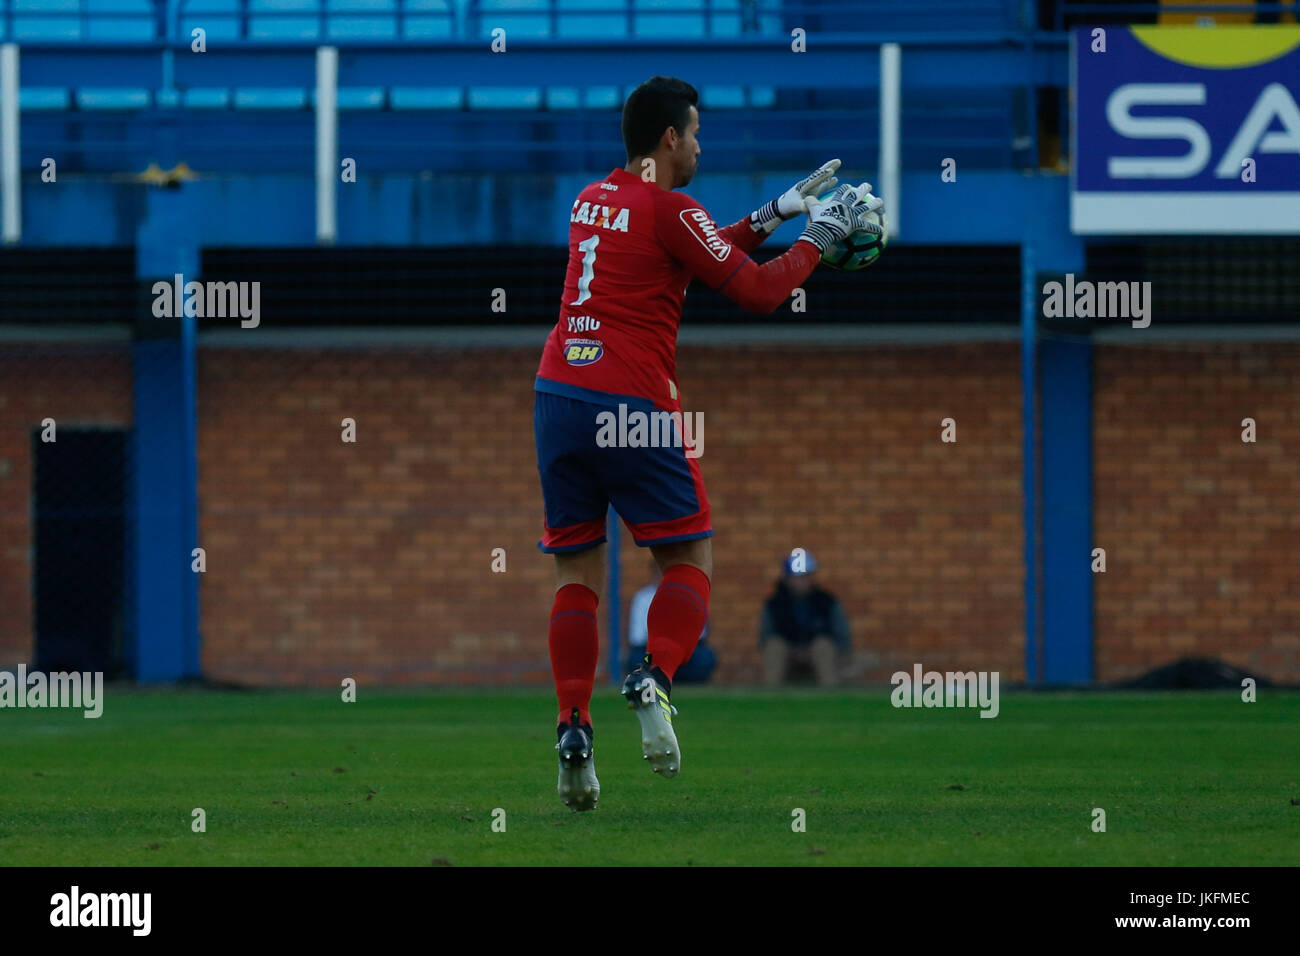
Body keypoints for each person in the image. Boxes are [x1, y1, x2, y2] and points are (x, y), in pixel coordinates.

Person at [534, 74, 885, 812]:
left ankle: (573, 727)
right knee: (688, 560)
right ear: (669, 139)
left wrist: (776, 212)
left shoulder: (595, 198)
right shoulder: (671, 206)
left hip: (557, 395)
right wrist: (819, 238)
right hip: (630, 402)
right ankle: (654, 675)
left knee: (577, 577)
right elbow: (755, 291)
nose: (699, 145)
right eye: (694, 132)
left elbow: (691, 255)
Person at [760, 550, 851, 687]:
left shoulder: (827, 602)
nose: (802, 581)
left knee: (823, 646)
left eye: (806, 576)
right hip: (788, 651)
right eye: (797, 577)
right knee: (774, 646)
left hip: (817, 652)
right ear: (787, 578)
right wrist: (794, 651)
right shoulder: (775, 604)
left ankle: (831, 694)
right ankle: (771, 695)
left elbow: (841, 637)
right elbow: (766, 637)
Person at [627, 558, 716, 684]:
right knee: (635, 659)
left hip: (684, 654)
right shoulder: (642, 597)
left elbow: (701, 634)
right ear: (652, 572)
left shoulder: (689, 594)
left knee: (705, 657)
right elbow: (636, 638)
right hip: (652, 653)